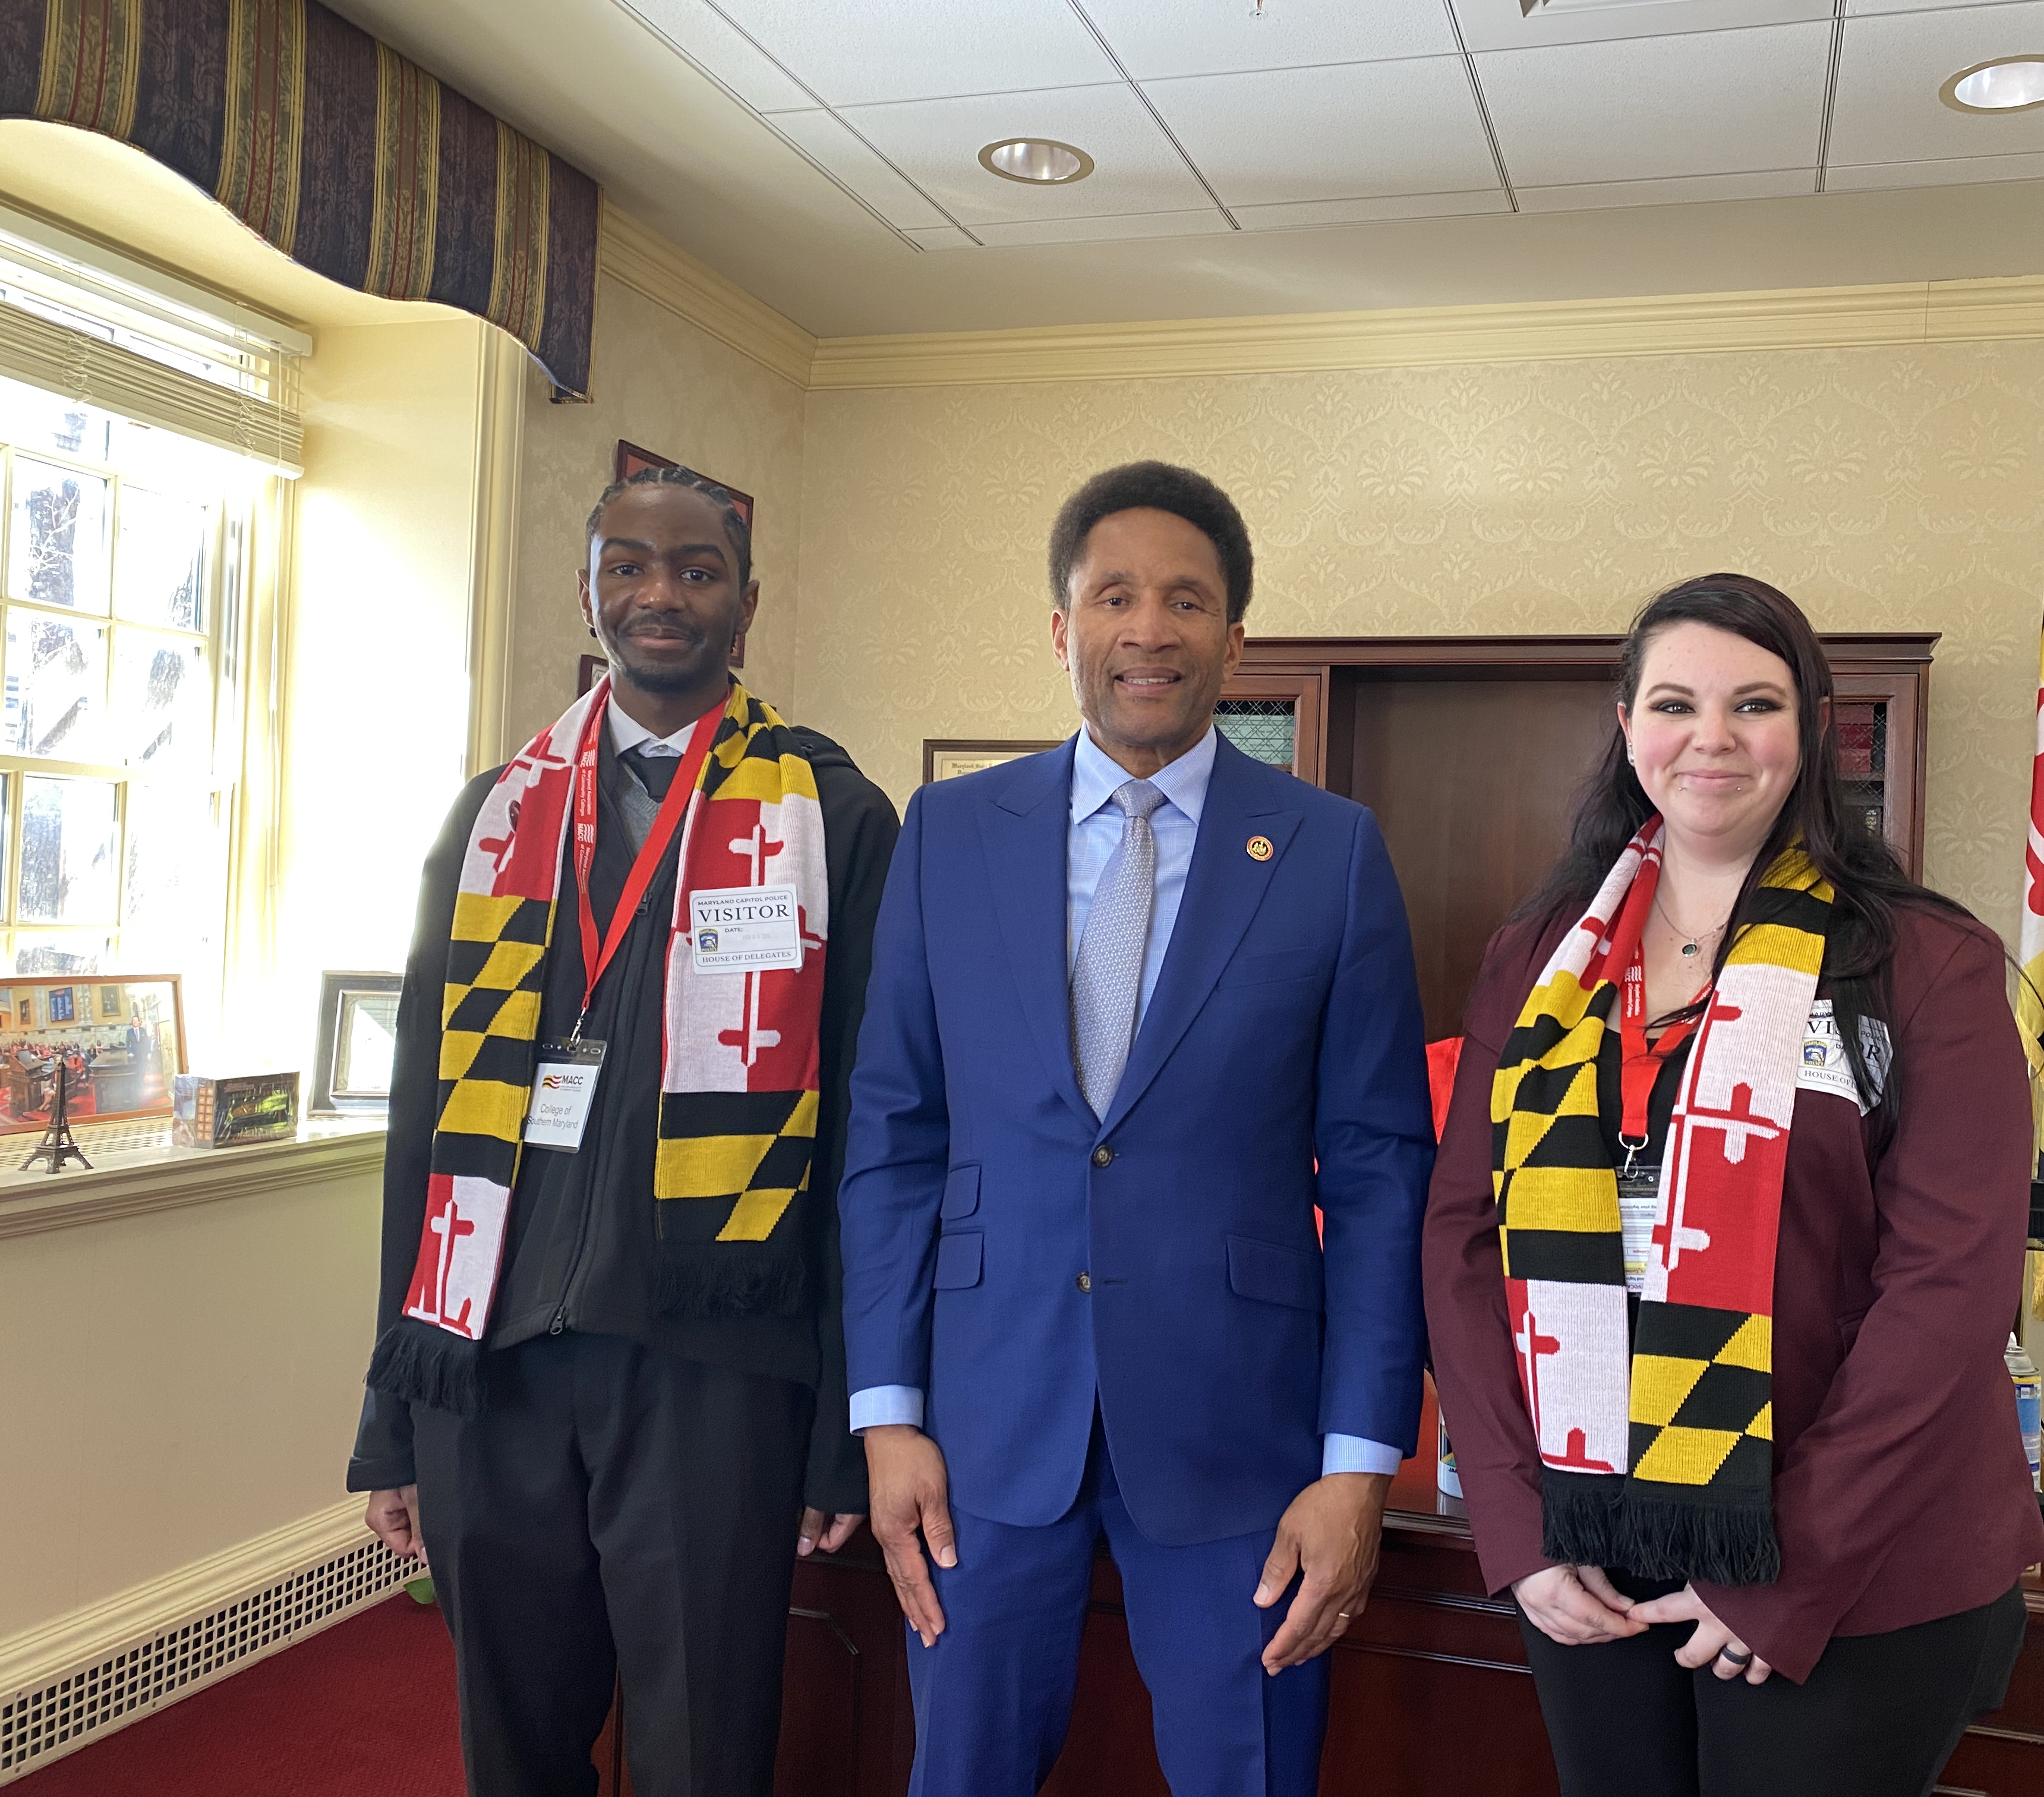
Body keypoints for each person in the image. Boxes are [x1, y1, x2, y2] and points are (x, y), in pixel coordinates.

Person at [839, 461, 1434, 1796]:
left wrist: (1361, 1463)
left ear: (1238, 637)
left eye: (1186, 601)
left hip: (1245, 1437)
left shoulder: (1330, 852)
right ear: (1064, 630)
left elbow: (1384, 1169)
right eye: (1115, 597)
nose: (1149, 630)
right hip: (983, 1426)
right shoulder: (948, 833)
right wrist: (887, 1413)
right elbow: (895, 1134)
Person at [1422, 574, 2043, 1797]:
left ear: (1810, 728)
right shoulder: (1537, 960)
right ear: (1625, 725)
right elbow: (1463, 1241)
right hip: (1591, 1545)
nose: (1711, 738)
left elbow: (1949, 1293)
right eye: (1675, 703)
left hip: (1853, 1567)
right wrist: (1519, 1525)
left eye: (1753, 704)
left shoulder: (1924, 961)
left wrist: (1789, 1564)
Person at [347, 465, 899, 1797]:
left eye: (697, 570)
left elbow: (867, 1151)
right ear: (587, 589)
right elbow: (423, 1124)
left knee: (705, 1745)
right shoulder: (492, 814)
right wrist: (393, 1406)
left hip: (711, 1366)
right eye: (631, 568)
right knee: (515, 1737)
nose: (662, 595)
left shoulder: (832, 813)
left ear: (746, 604)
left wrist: (840, 1422)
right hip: (493, 1364)